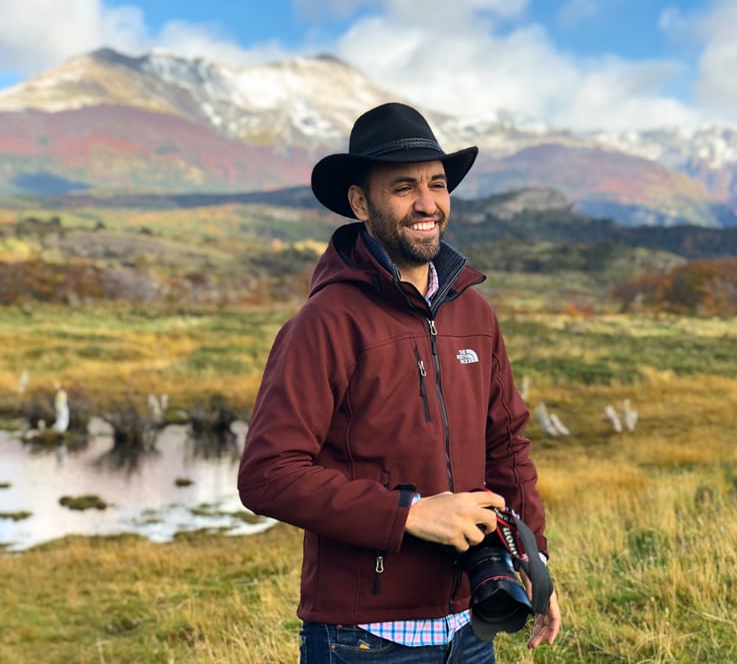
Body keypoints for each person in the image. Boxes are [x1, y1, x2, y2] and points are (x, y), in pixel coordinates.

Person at [237, 102, 561, 663]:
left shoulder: (475, 314)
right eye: (404, 187)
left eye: (437, 184)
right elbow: (267, 474)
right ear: (360, 202)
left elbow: (506, 445)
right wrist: (410, 514)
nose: (427, 203)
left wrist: (533, 559)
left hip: (471, 629)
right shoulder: (325, 322)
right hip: (365, 640)